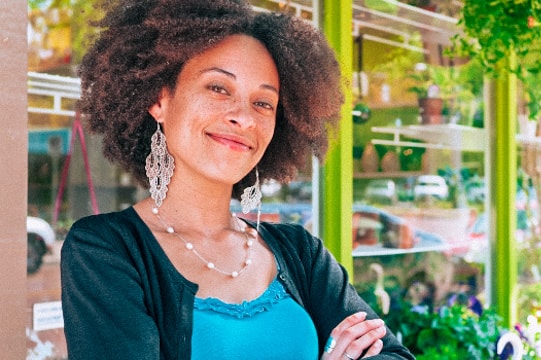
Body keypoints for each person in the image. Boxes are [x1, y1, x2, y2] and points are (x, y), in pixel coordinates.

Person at [60, 0, 414, 359]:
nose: (243, 118)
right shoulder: (107, 250)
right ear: (159, 99)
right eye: (218, 88)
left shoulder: (301, 253)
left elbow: (392, 355)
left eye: (263, 103)